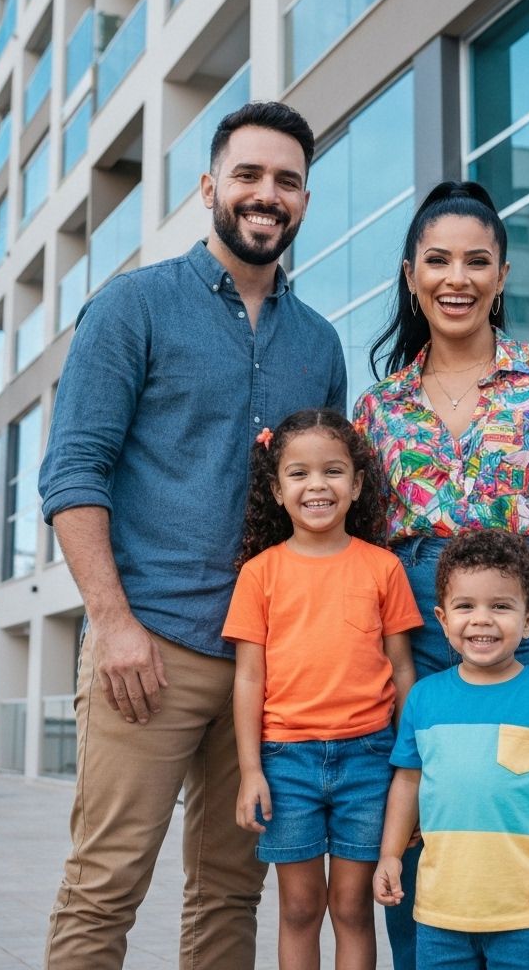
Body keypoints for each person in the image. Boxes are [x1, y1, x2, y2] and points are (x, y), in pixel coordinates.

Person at [38, 102, 347, 970]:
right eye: (247, 175)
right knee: (105, 887)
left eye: (286, 180)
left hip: (268, 663)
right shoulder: (132, 306)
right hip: (153, 650)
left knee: (229, 893)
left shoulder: (319, 345)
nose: (266, 194)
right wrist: (115, 625)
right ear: (210, 187)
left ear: (303, 202)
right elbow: (72, 475)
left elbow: (322, 505)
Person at [352, 180, 529, 966]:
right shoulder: (379, 408)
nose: (457, 278)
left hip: (526, 625)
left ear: (503, 275)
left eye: (477, 261)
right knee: (419, 824)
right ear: (411, 276)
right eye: (437, 261)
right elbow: (357, 543)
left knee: (521, 819)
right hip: (411, 628)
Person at [223, 409, 419, 970]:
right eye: (299, 473)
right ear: (276, 488)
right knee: (300, 909)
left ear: (357, 485)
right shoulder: (258, 573)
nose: (317, 486)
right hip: (286, 764)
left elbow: (402, 670)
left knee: (353, 908)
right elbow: (248, 678)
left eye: (333, 471)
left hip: (369, 760)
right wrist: (251, 769)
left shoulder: (383, 569)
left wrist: (408, 760)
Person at [373, 529, 529, 969]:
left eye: (500, 606)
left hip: (526, 910)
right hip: (441, 913)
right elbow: (407, 780)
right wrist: (390, 853)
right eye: (465, 607)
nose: (481, 620)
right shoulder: (423, 698)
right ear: (441, 618)